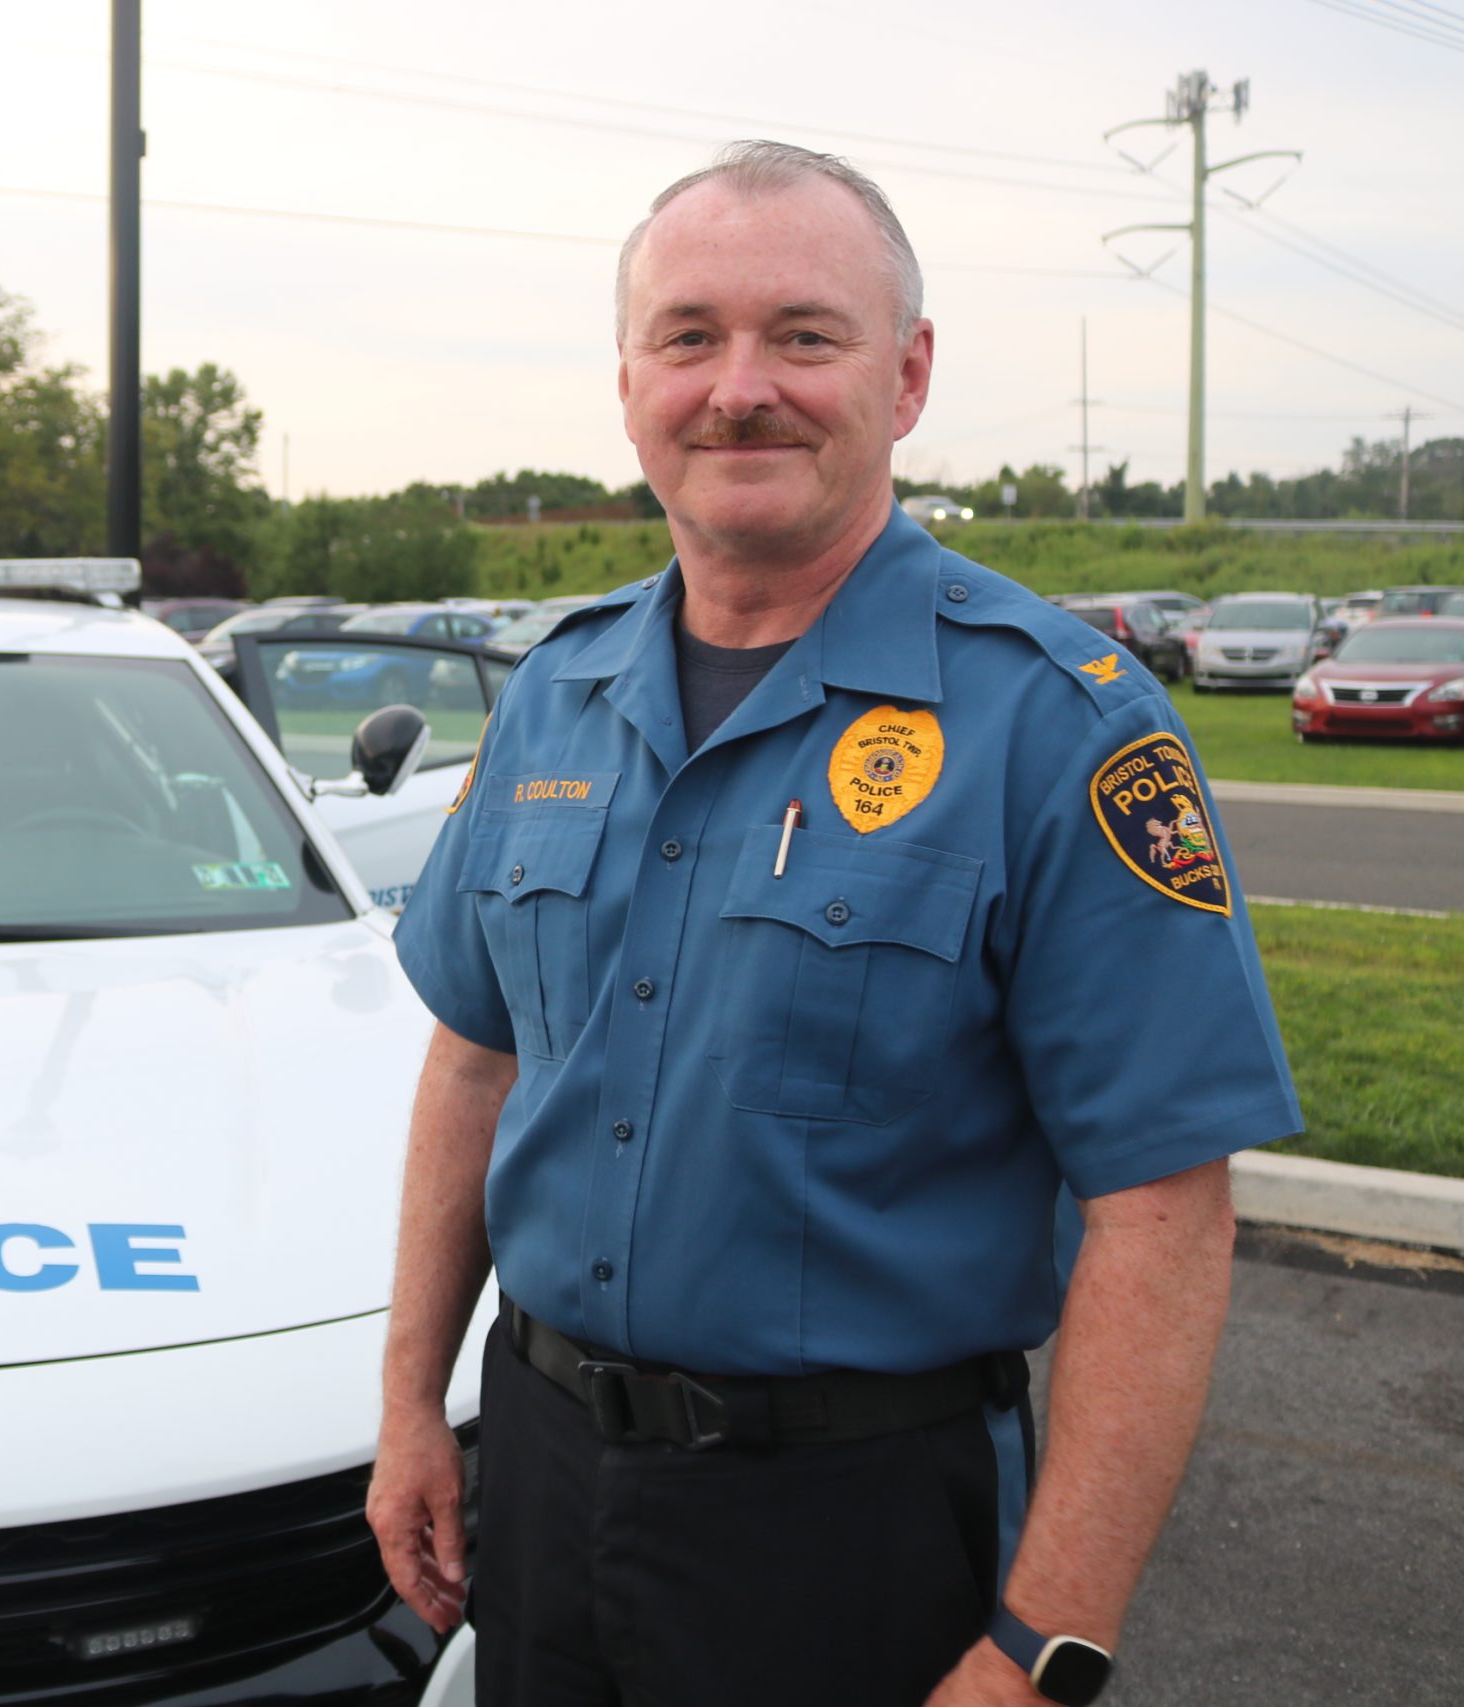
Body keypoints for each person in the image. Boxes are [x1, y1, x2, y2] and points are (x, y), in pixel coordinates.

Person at [366, 140, 1299, 1707]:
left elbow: (1163, 1207)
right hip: (539, 1475)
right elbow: (475, 1063)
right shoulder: (554, 693)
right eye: (690, 337)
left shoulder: (1058, 725)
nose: (742, 387)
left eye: (805, 335)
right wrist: (411, 1405)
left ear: (908, 373)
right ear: (631, 381)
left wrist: (1042, 1638)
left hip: (850, 1531)